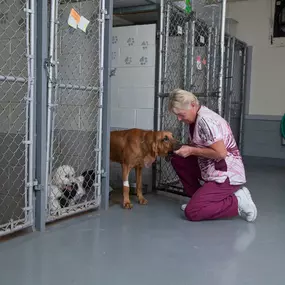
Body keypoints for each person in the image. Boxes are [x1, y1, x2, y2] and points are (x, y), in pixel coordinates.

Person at [168, 88, 257, 222]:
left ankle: (238, 200)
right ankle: (200, 200)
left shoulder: (205, 121)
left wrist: (191, 150)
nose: (179, 119)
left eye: (181, 114)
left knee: (192, 212)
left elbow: (221, 153)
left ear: (193, 105)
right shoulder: (195, 118)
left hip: (227, 174)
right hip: (212, 167)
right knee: (178, 159)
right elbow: (204, 146)